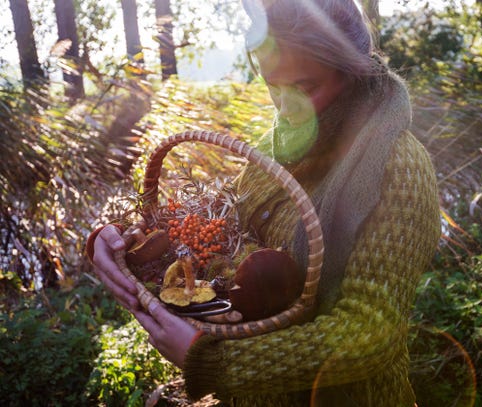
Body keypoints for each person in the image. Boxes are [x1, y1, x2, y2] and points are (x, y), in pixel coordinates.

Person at [88, 0, 441, 405]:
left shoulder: (398, 167)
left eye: (305, 88)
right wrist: (126, 241)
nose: (285, 109)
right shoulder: (277, 147)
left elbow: (370, 332)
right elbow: (218, 241)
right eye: (273, 86)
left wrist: (217, 364)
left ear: (352, 72)